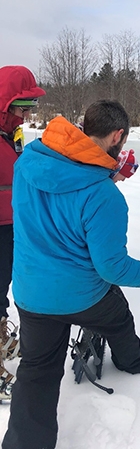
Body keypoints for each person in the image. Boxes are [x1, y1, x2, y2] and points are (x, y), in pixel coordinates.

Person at [2, 100, 140, 449]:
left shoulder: (28, 160)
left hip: (31, 293)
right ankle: (132, 363)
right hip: (83, 295)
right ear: (118, 135)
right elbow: (113, 268)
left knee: (37, 371)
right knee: (118, 317)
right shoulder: (103, 195)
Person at [0, 65, 46, 397]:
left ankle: (1, 333)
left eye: (30, 107)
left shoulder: (10, 134)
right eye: (21, 106)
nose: (26, 114)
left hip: (11, 225)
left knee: (3, 285)